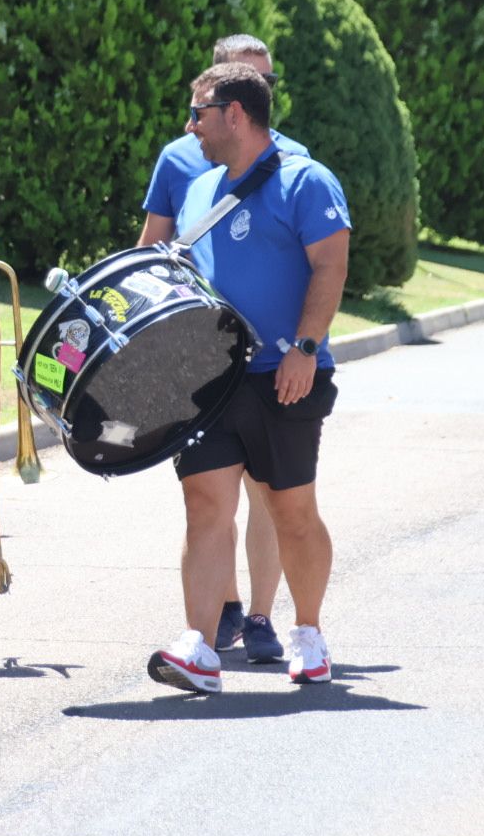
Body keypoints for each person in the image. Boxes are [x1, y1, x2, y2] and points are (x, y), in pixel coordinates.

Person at [148, 62, 350, 694]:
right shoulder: (200, 188)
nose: (191, 126)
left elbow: (331, 266)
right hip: (212, 380)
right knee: (204, 504)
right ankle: (200, 646)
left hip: (284, 374)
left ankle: (309, 632)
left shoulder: (307, 181)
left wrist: (305, 349)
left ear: (235, 113)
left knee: (292, 511)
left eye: (199, 113)